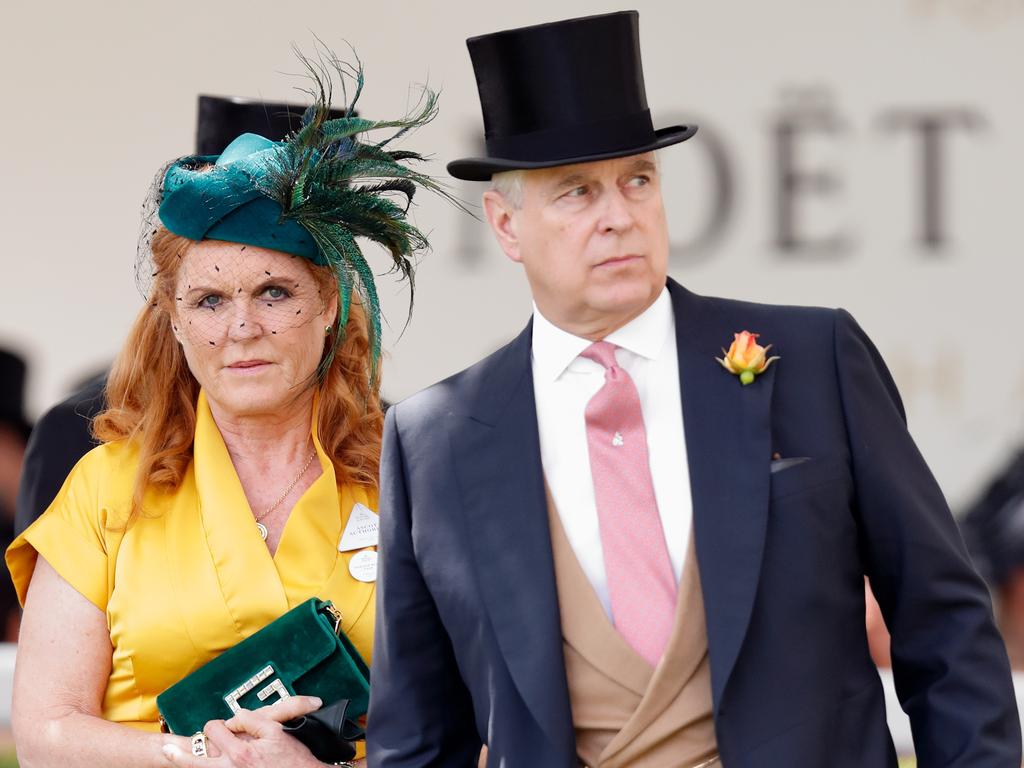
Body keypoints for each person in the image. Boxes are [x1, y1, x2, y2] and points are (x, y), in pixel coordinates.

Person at [367, 12, 1021, 768]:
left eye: (637, 180)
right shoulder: (435, 441)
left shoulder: (814, 358)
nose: (619, 217)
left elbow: (943, 620)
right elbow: (418, 737)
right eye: (577, 193)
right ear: (506, 226)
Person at [6, 56, 445, 768]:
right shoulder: (106, 488)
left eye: (275, 292)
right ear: (173, 319)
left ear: (330, 303)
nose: (241, 328)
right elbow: (45, 735)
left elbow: (482, 733)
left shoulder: (411, 478)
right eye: (209, 300)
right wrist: (208, 757)